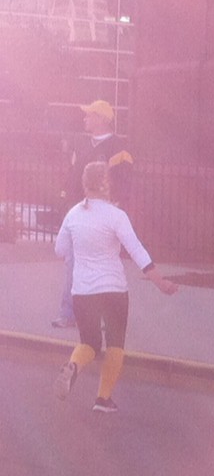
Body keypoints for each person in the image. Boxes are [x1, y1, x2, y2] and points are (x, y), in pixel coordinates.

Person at [53, 161, 177, 413]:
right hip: (113, 290)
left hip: (83, 291)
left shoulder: (74, 214)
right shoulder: (116, 216)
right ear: (106, 184)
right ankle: (103, 399)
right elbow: (136, 250)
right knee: (115, 344)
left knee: (89, 343)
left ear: (85, 184)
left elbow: (60, 250)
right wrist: (160, 282)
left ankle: (74, 365)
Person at [51, 99, 134, 328]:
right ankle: (69, 314)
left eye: (89, 115)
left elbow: (124, 181)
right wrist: (65, 200)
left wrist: (115, 207)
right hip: (80, 212)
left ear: (101, 119)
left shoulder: (119, 148)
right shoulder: (81, 144)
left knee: (103, 267)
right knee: (72, 263)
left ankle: (102, 317)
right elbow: (72, 175)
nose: (85, 118)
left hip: (104, 216)